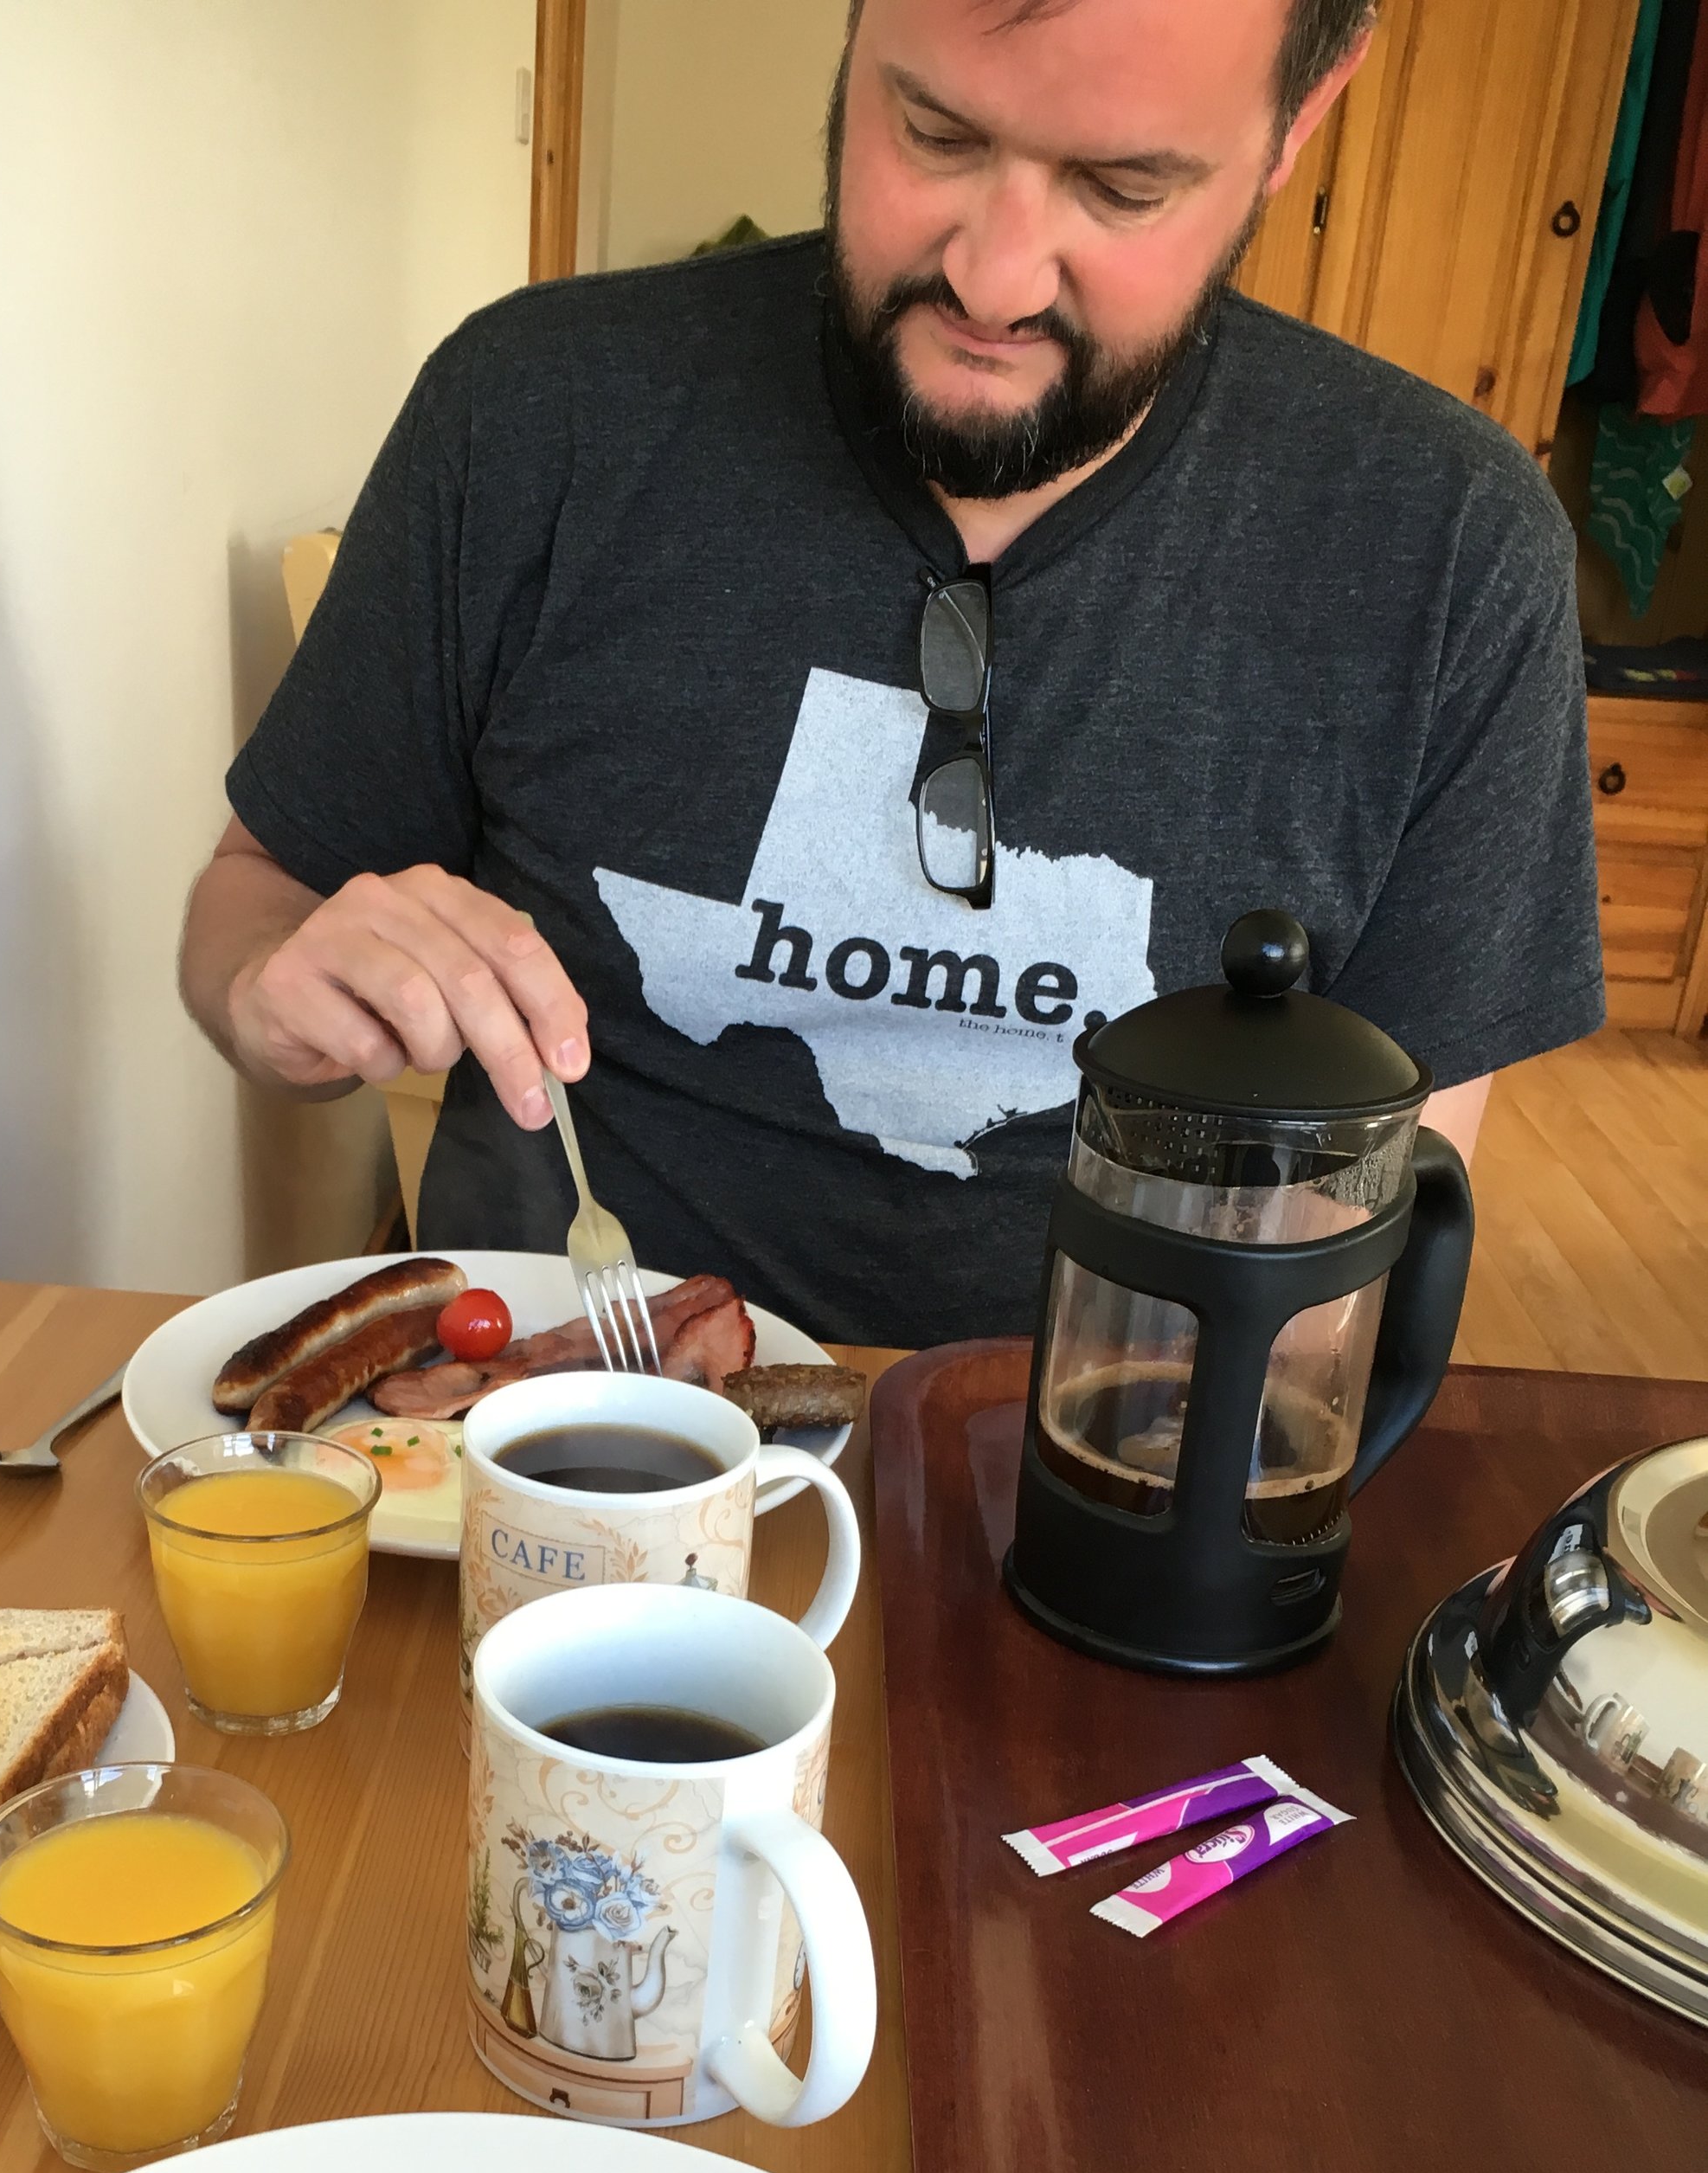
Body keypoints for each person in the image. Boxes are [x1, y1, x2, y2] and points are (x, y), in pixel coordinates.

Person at [179, 0, 1602, 1347]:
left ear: (1304, 114)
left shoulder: (1452, 556)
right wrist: (265, 986)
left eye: (1122, 188)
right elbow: (251, 902)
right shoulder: (532, 414)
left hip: (1106, 1506)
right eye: (935, 134)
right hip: (551, 1461)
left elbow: (1377, 1230)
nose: (993, 277)